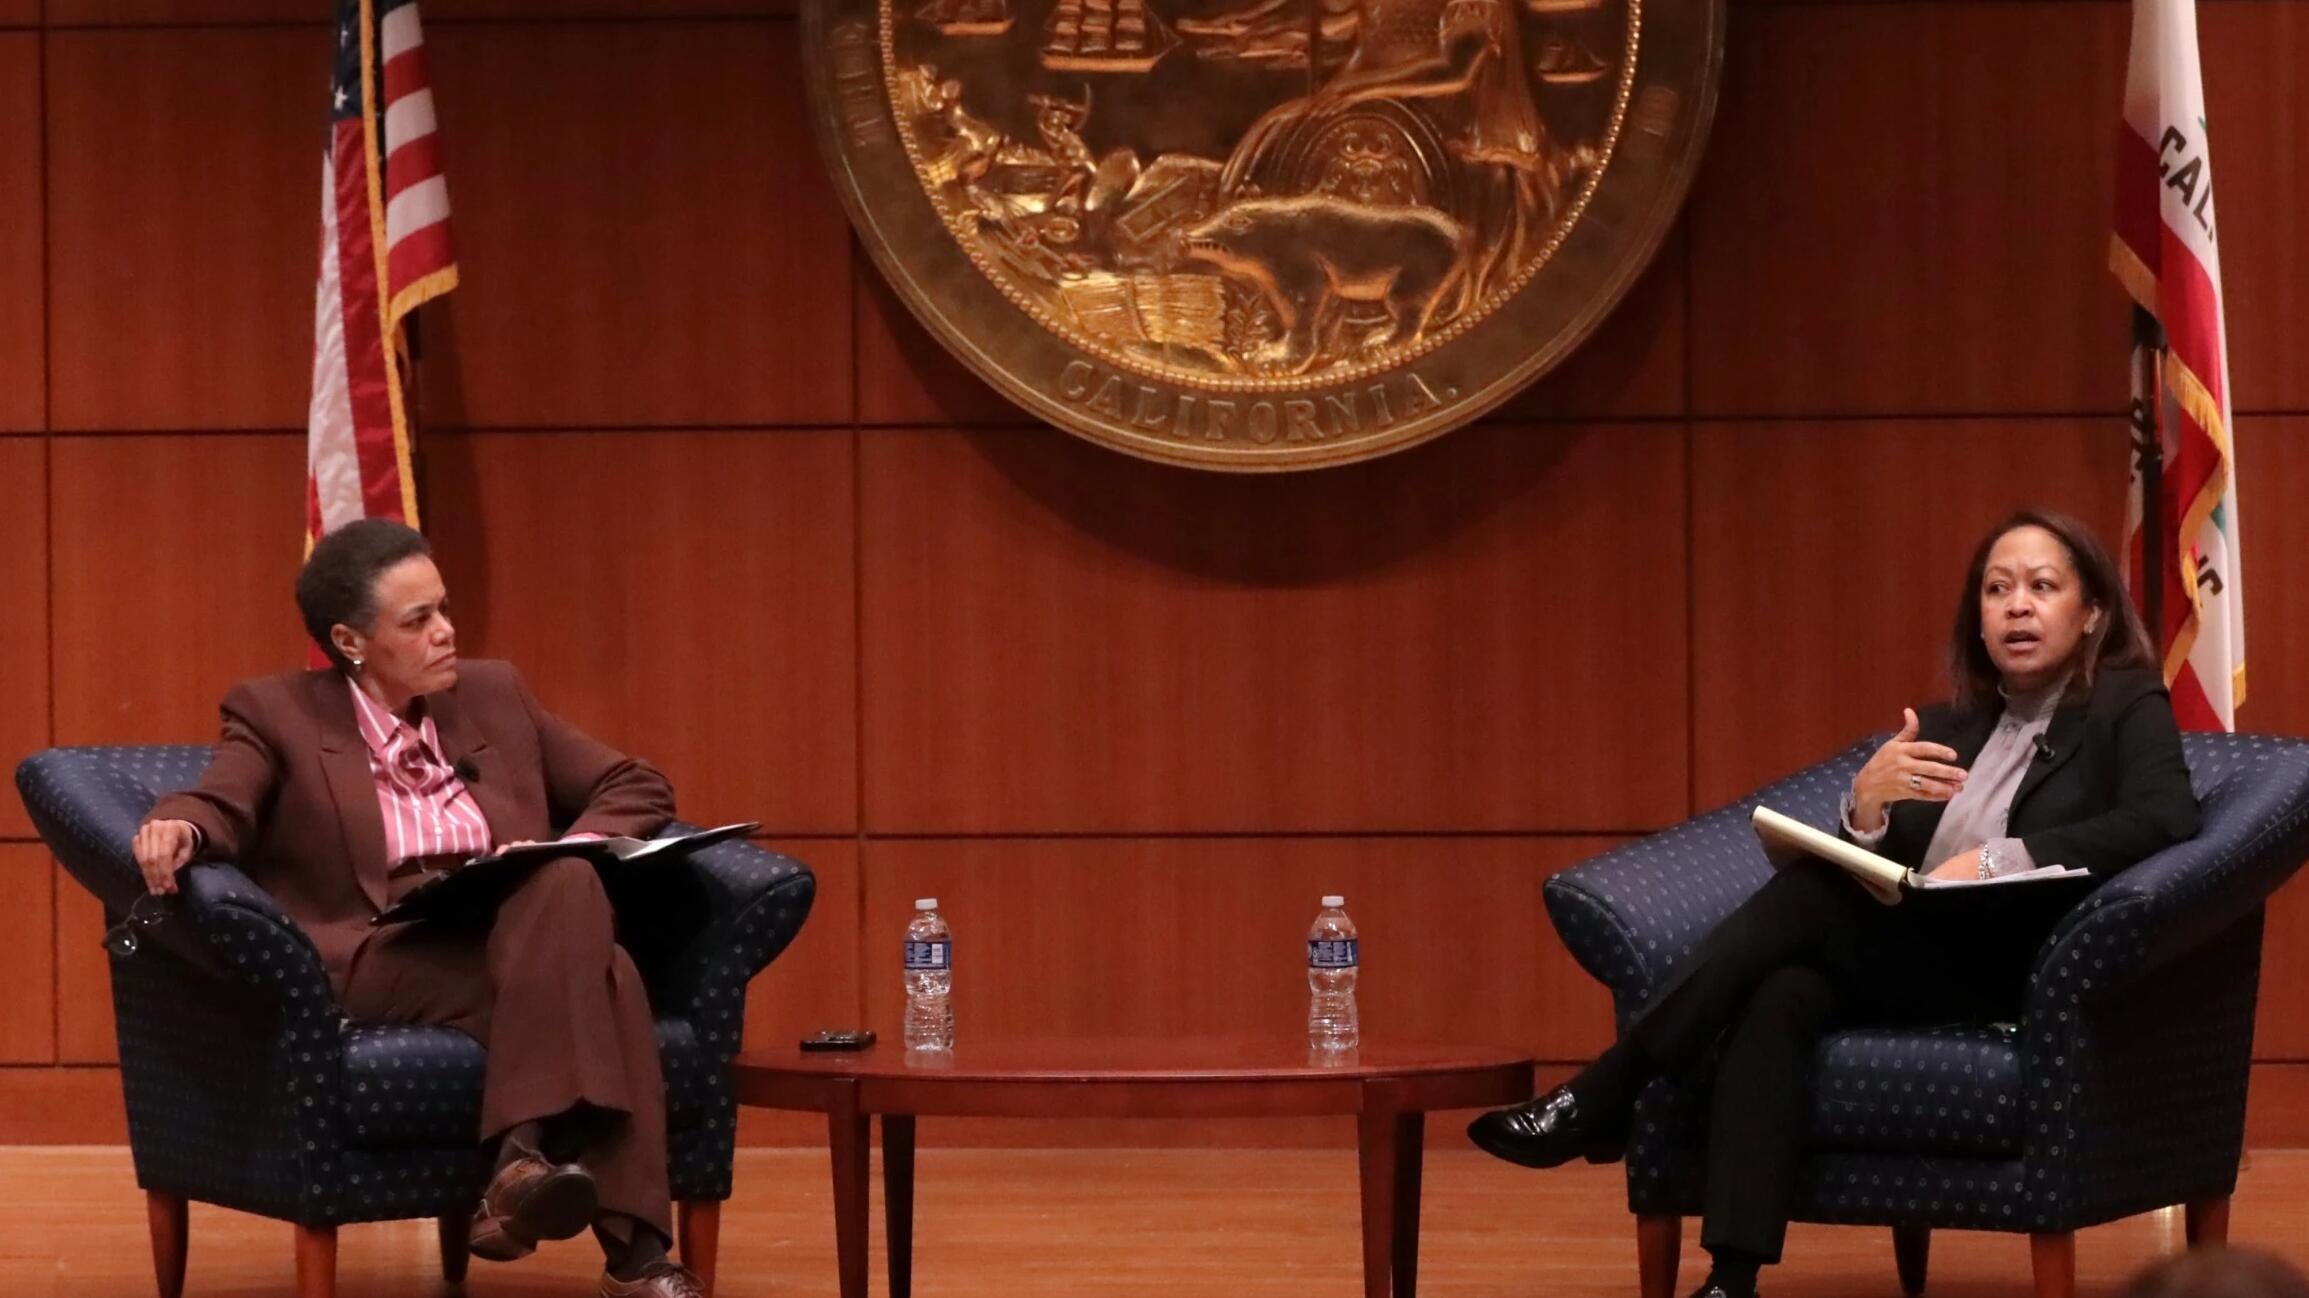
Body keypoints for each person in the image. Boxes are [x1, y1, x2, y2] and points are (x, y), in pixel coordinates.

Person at [1468, 508, 2204, 1298]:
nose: (2015, 606)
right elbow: (1887, 867)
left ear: (2090, 612)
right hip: (1917, 954)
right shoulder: (1950, 724)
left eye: (2041, 587)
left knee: (1809, 897)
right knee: (1780, 994)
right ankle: (1731, 1278)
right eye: (1996, 590)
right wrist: (1865, 811)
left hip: (2021, 964)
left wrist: (1999, 857)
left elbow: (2165, 817)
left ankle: (1609, 1088)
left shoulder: (2124, 703)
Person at [131, 518, 703, 1298]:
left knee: (568, 889)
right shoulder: (278, 712)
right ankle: (628, 1253)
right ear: (350, 640)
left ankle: (522, 1168)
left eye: (443, 609)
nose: (446, 632)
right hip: (382, 947)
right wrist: (181, 826)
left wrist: (574, 844)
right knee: (607, 973)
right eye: (417, 620)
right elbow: (221, 798)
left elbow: (634, 782)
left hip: (511, 925)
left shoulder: (494, 693)